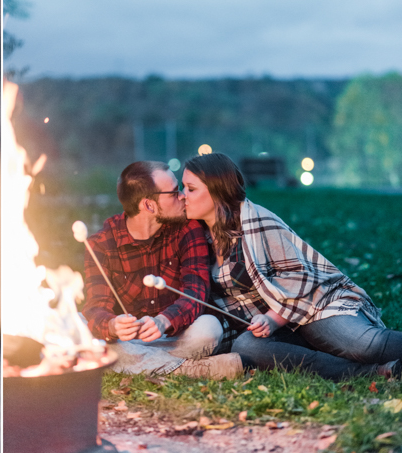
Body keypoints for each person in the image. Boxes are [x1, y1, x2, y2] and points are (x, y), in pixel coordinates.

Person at [182, 152, 401, 381]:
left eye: (190, 188)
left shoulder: (257, 223)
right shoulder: (198, 238)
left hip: (314, 307)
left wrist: (271, 319)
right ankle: (372, 373)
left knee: (364, 345)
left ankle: (376, 361)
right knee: (246, 347)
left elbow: (299, 278)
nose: (182, 195)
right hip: (277, 329)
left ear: (217, 191)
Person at [83, 161, 244, 379]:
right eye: (175, 192)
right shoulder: (101, 244)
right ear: (148, 205)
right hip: (126, 340)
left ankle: (135, 363)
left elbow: (196, 292)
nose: (183, 197)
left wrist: (164, 320)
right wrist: (112, 325)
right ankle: (188, 369)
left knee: (209, 329)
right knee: (80, 327)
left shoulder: (188, 228)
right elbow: (96, 307)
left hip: (174, 336)